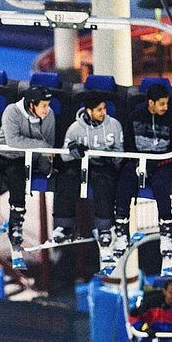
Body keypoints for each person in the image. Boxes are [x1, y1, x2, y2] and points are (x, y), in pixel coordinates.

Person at [113, 83, 172, 259]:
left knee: (160, 185)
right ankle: (121, 230)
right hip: (139, 161)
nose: (165, 108)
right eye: (161, 104)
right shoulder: (135, 117)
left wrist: (160, 162)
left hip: (162, 162)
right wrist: (138, 162)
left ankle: (166, 232)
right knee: (125, 182)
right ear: (151, 102)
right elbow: (129, 144)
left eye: (166, 103)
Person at [49, 92, 124, 249]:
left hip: (103, 163)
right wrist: (73, 150)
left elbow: (120, 152)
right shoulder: (75, 128)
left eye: (104, 109)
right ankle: (65, 225)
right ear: (88, 111)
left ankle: (104, 228)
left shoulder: (114, 125)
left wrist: (107, 158)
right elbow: (64, 157)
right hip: (80, 164)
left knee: (103, 179)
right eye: (99, 110)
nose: (103, 113)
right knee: (67, 177)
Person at [0, 86, 55, 248]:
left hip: (20, 157)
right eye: (43, 105)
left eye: (48, 105)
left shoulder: (49, 116)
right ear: (31, 105)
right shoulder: (12, 111)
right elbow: (13, 141)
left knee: (18, 180)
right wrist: (41, 146)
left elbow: (48, 145)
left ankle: (15, 225)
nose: (47, 109)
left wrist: (46, 167)